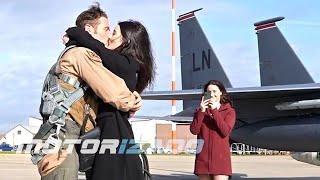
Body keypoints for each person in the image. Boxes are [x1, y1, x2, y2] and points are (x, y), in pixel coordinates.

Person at [36, 3, 142, 180]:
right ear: (89, 29)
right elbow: (113, 92)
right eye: (106, 29)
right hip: (62, 137)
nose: (109, 35)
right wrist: (133, 101)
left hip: (68, 137)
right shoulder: (82, 54)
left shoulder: (75, 51)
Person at [65, 20, 155, 180]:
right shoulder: (126, 65)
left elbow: (97, 48)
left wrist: (74, 32)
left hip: (113, 129)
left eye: (114, 33)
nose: (109, 37)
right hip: (117, 128)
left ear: (126, 41)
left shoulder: (125, 64)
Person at [190, 80, 236, 180]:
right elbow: (194, 130)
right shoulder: (199, 112)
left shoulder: (229, 111)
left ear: (221, 92)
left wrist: (215, 110)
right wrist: (201, 111)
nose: (212, 94)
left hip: (221, 160)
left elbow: (225, 131)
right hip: (203, 160)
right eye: (209, 92)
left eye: (215, 91)